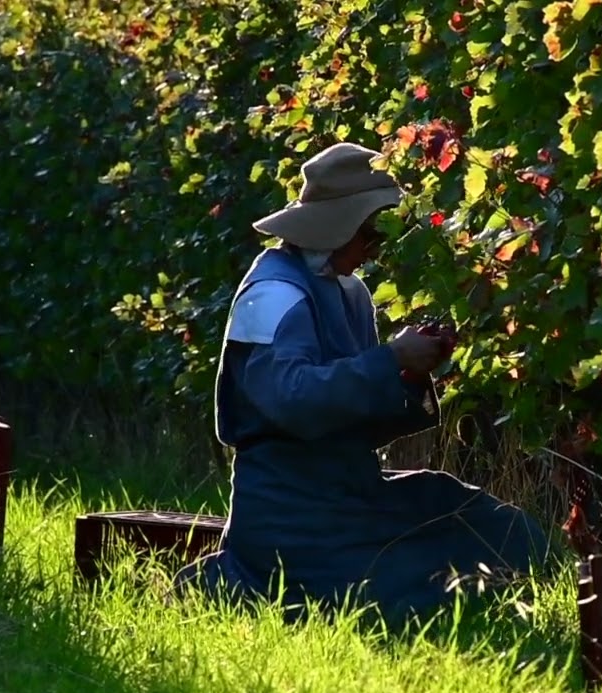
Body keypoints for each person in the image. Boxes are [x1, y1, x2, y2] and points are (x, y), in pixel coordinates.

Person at [174, 142, 550, 626]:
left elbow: (359, 422)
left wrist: (411, 372)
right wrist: (388, 358)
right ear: (341, 227)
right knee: (414, 590)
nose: (376, 248)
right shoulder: (272, 293)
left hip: (352, 491)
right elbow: (291, 400)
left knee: (481, 521)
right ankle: (233, 581)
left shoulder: (349, 293)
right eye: (372, 233)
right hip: (291, 514)